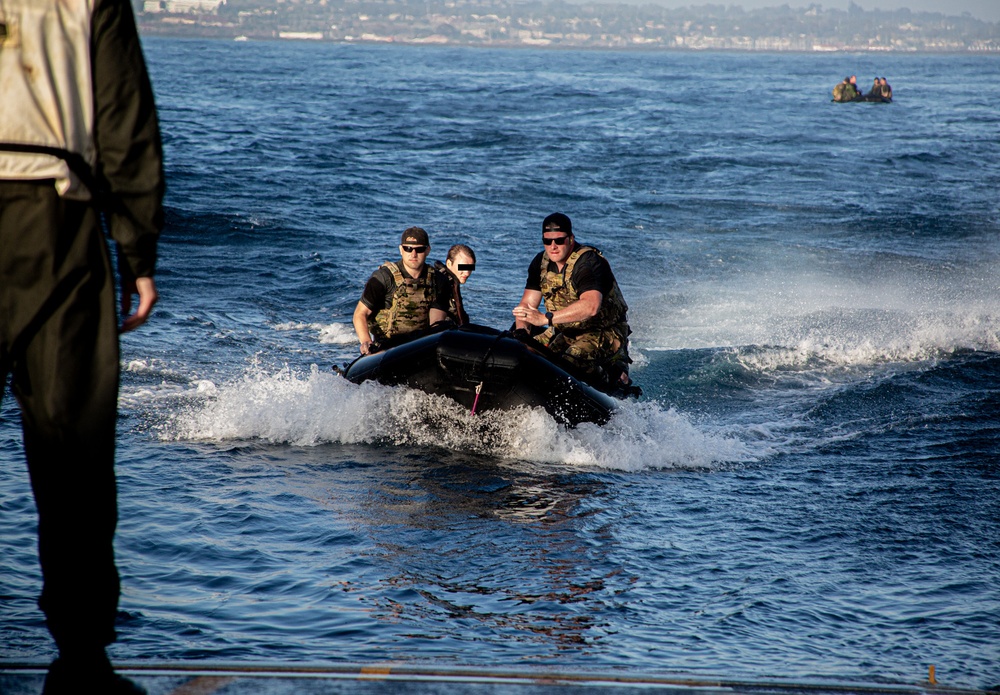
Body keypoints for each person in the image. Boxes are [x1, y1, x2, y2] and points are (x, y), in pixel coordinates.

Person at [0, 1, 164, 693]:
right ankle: (81, 658)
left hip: (52, 209)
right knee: (74, 446)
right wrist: (137, 247)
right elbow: (122, 116)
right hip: (52, 218)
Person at [511, 213, 636, 392]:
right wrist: (522, 332)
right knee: (529, 353)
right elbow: (527, 306)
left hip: (604, 330)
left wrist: (546, 320)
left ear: (570, 239)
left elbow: (591, 306)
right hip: (566, 329)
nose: (553, 247)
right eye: (547, 241)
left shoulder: (588, 263)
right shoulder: (540, 262)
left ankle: (615, 376)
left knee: (572, 359)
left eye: (559, 241)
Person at [352, 227, 450, 354]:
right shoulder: (383, 278)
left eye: (419, 249)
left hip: (419, 344)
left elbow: (436, 323)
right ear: (401, 250)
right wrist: (366, 342)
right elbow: (360, 314)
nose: (413, 254)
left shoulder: (438, 280)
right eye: (408, 249)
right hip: (386, 347)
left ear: (427, 250)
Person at [434, 244, 476, 326]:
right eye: (462, 267)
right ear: (449, 264)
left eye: (470, 268)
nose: (467, 273)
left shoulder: (452, 282)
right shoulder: (441, 283)